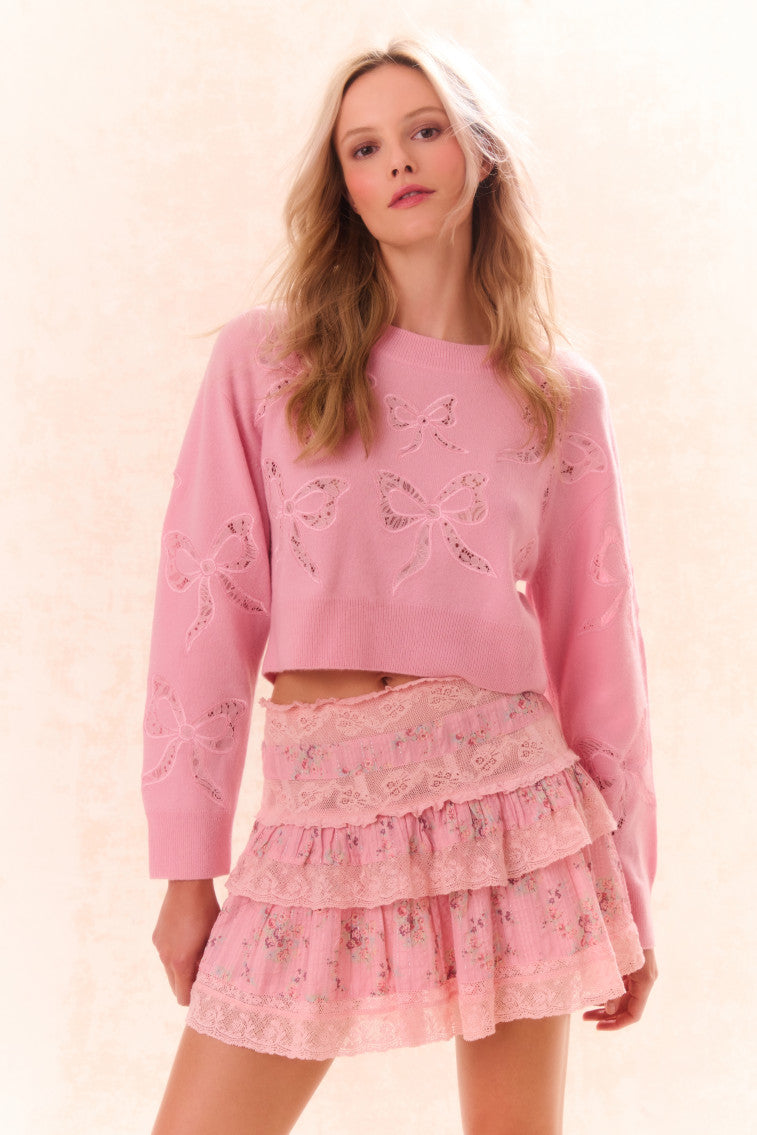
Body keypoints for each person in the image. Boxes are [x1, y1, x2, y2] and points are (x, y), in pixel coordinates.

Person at [142, 35, 658, 1135]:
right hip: (319, 806)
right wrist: (187, 869)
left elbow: (599, 649)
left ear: (482, 153)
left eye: (425, 130)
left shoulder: (557, 395)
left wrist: (629, 883)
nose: (398, 162)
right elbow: (203, 610)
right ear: (342, 184)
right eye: (364, 147)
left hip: (513, 811)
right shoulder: (266, 360)